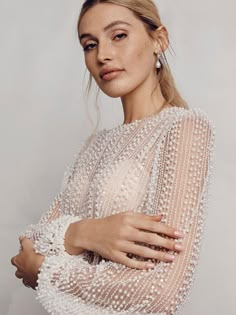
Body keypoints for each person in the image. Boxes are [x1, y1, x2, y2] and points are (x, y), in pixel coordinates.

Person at [10, 0, 216, 314]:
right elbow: (30, 241)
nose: (102, 55)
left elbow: (161, 292)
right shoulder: (94, 145)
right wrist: (83, 233)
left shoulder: (184, 128)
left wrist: (44, 270)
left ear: (158, 40)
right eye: (89, 45)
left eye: (118, 35)